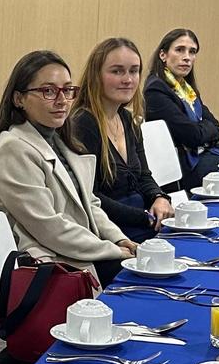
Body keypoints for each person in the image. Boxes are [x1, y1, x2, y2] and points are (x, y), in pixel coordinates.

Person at [0, 49, 135, 285]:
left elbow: (90, 204)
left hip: (80, 252)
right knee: (145, 281)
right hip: (53, 267)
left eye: (67, 90)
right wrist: (112, 250)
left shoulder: (60, 141)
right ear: (19, 99)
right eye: (48, 91)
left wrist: (119, 239)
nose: (62, 100)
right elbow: (50, 228)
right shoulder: (14, 150)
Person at [71, 38, 173, 242]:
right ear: (96, 76)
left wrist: (159, 197)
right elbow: (91, 197)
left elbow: (144, 176)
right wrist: (145, 218)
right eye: (117, 71)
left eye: (134, 71)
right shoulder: (83, 124)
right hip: (111, 233)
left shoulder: (127, 119)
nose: (128, 79)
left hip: (143, 221)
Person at [144, 28, 219, 189]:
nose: (187, 57)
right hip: (185, 168)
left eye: (192, 52)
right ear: (163, 55)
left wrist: (203, 131)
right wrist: (205, 130)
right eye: (180, 50)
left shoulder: (185, 88)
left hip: (202, 153)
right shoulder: (155, 90)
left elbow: (216, 127)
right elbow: (193, 136)